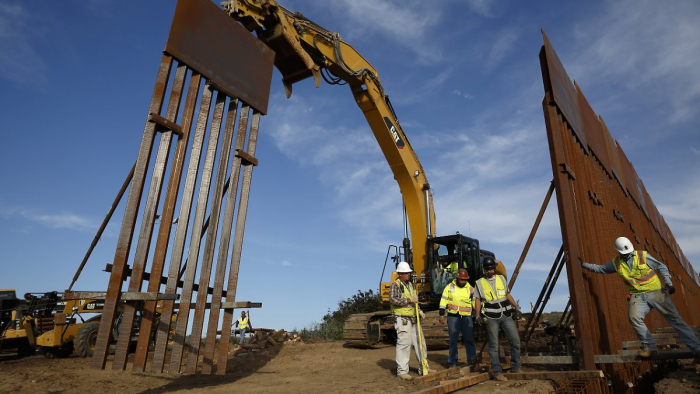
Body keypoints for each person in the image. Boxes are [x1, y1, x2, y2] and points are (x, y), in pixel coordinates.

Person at [580, 236, 700, 358]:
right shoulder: (616, 263)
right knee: (634, 318)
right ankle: (649, 348)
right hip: (638, 296)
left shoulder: (642, 256)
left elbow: (661, 266)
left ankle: (696, 348)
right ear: (618, 250)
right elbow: (601, 269)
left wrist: (668, 283)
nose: (627, 254)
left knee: (675, 320)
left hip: (656, 292)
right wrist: (584, 265)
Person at [474, 256, 521, 381]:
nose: (489, 271)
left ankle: (515, 367)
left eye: (491, 269)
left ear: (494, 269)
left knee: (515, 341)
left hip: (505, 315)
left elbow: (507, 294)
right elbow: (477, 300)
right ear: (484, 270)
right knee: (494, 345)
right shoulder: (479, 283)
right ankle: (497, 371)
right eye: (487, 269)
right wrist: (477, 315)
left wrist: (516, 307)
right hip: (490, 317)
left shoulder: (501, 279)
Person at [389, 261, 429, 380]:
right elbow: (393, 300)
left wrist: (419, 310)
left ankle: (424, 367)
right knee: (404, 345)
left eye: (409, 273)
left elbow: (415, 301)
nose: (408, 275)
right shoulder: (395, 285)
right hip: (402, 319)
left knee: (420, 343)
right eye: (406, 273)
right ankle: (402, 371)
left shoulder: (410, 285)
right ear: (400, 274)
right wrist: (408, 300)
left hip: (413, 318)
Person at [438, 268, 476, 368]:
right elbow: (443, 301)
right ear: (457, 278)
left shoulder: (471, 289)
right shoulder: (449, 287)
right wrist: (441, 314)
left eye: (464, 280)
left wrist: (479, 314)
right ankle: (452, 362)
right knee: (453, 340)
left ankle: (472, 361)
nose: (463, 281)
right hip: (453, 317)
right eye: (461, 279)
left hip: (466, 317)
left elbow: (475, 303)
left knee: (469, 340)